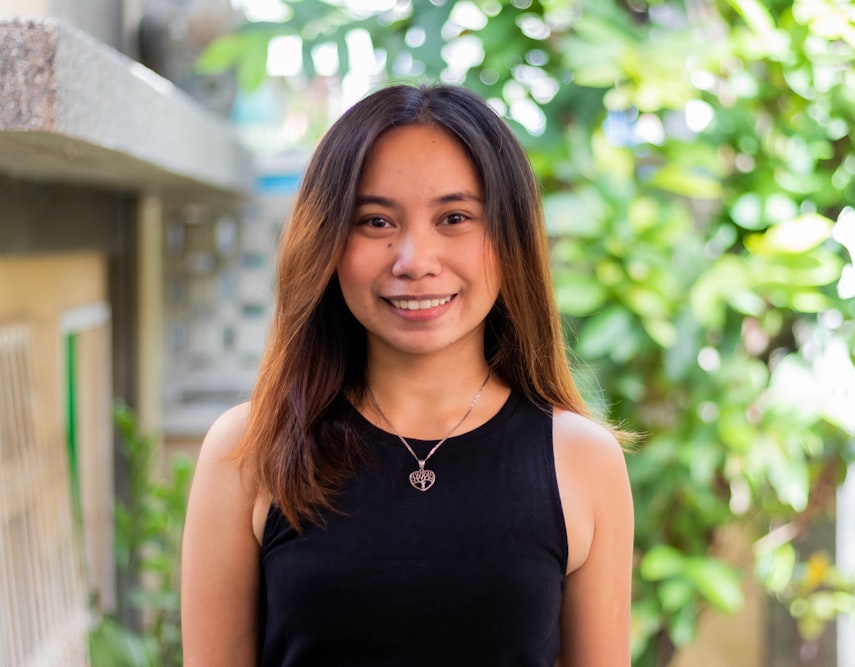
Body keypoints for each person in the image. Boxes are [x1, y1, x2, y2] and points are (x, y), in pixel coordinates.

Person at [180, 83, 634, 666]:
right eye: (375, 221)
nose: (415, 260)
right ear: (328, 242)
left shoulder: (582, 460)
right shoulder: (249, 451)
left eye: (454, 217)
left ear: (510, 237)